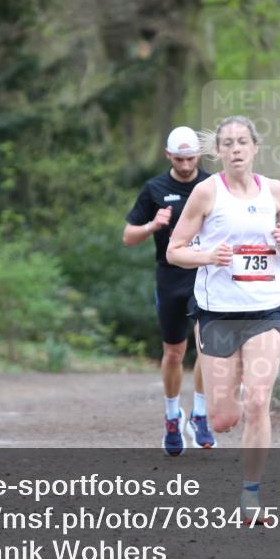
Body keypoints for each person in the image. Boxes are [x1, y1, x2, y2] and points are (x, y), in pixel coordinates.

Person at [166, 115, 280, 520]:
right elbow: (175, 251)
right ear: (218, 152)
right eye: (227, 143)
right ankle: (215, 402)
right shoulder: (206, 193)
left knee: (259, 401)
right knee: (223, 418)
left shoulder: (275, 191)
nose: (235, 149)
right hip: (217, 314)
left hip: (265, 309)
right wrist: (208, 256)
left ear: (255, 147)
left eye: (242, 141)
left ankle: (251, 495)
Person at [123, 126, 216, 455]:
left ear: (198, 156)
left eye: (191, 158)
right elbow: (128, 236)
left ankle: (200, 413)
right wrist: (153, 225)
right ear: (168, 156)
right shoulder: (155, 189)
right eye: (179, 159)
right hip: (170, 277)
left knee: (208, 348)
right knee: (174, 353)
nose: (186, 165)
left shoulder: (212, 186)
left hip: (204, 274)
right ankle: (172, 416)